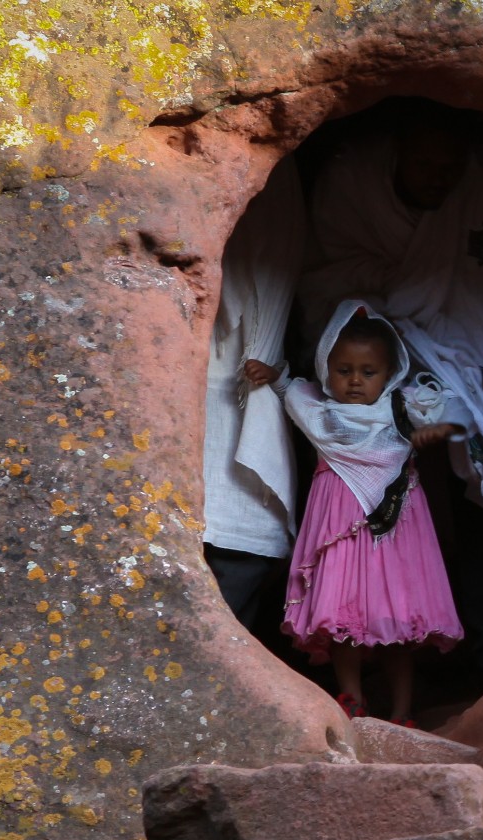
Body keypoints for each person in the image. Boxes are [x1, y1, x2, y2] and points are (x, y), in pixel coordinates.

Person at [296, 108, 483, 679]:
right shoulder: (351, 189)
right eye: (425, 163)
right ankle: (349, 646)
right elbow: (324, 278)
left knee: (479, 476)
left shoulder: (476, 196)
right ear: (396, 157)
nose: (439, 177)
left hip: (457, 357)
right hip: (365, 363)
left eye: (449, 167)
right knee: (357, 505)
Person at [281, 301, 463, 723]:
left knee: (396, 620)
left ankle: (403, 715)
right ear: (327, 367)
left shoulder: (406, 408)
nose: (356, 381)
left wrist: (438, 426)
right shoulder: (313, 406)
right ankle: (353, 704)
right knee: (343, 614)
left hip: (397, 526)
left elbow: (453, 410)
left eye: (368, 372)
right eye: (343, 370)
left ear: (391, 372)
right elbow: (287, 387)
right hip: (340, 520)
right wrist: (274, 378)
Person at [201, 157, 306, 641]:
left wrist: (265, 356)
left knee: (245, 539)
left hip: (251, 374)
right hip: (214, 380)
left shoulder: (282, 198)